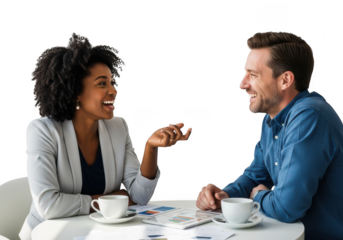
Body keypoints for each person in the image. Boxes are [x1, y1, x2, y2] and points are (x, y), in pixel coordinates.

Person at [19, 31, 192, 240]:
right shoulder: (42, 131)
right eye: (102, 84)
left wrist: (150, 148)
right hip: (49, 234)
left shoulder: (117, 126)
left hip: (100, 234)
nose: (114, 91)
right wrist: (110, 200)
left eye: (112, 82)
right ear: (75, 92)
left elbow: (139, 196)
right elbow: (49, 205)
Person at [196, 31, 343, 239]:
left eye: (253, 75)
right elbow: (257, 174)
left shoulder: (309, 116)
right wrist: (226, 195)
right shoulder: (273, 119)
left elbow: (287, 208)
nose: (242, 85)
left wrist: (258, 195)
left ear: (285, 80)